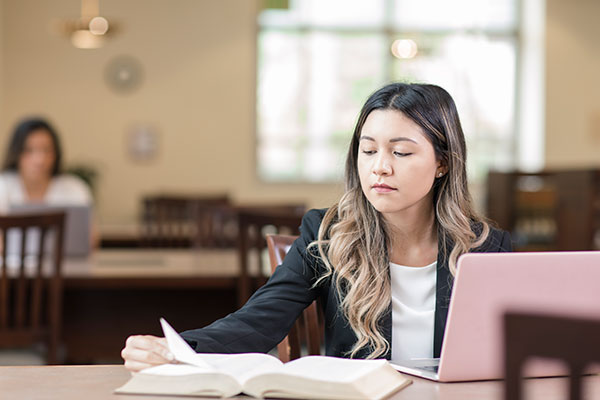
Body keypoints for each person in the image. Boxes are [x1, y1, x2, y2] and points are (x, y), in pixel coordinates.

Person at [121, 83, 512, 372]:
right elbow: (261, 320)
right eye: (369, 149)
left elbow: (513, 352)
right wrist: (179, 349)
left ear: (442, 162)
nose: (380, 167)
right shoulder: (326, 233)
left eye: (401, 152)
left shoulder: (486, 249)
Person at [0, 117, 92, 212]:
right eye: (29, 150)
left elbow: (88, 226)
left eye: (47, 150)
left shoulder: (75, 189)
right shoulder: (3, 187)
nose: (39, 160)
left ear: (56, 153)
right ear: (16, 152)